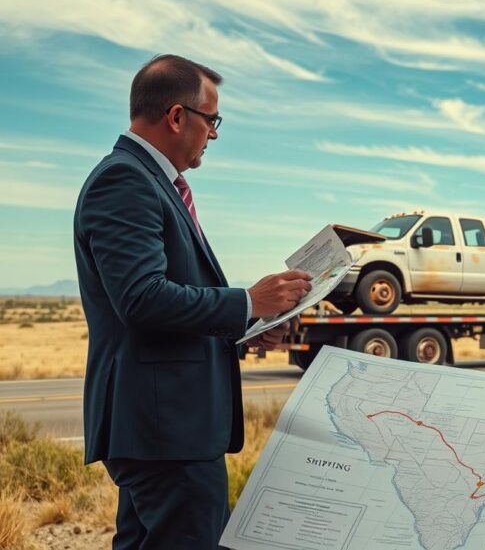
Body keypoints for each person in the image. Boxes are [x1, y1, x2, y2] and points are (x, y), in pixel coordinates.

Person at [73, 54, 312, 549]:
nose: (214, 135)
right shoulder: (125, 180)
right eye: (212, 120)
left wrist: (244, 328)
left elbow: (160, 310)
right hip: (166, 430)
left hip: (161, 429)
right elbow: (142, 299)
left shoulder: (149, 181)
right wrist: (249, 301)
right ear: (178, 116)